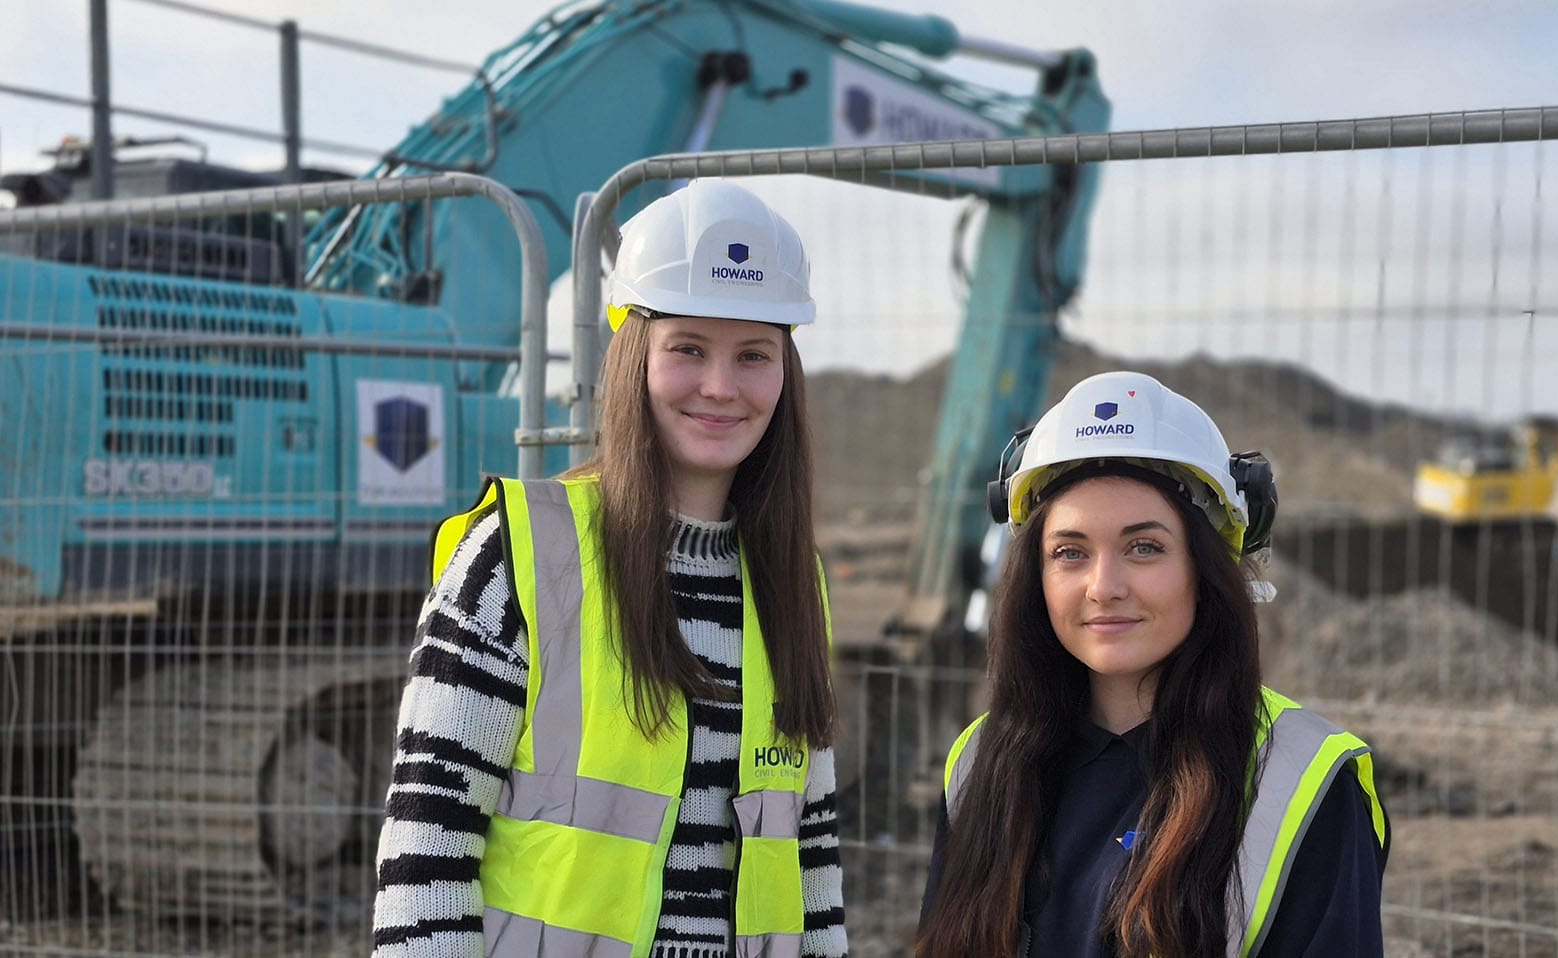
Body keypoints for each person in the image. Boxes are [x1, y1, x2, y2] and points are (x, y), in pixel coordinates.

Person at [371, 180, 847, 958]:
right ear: (634, 357)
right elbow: (427, 852)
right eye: (688, 348)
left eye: (753, 355)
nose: (720, 386)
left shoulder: (794, 585)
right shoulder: (517, 556)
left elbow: (812, 857)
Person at [916, 371, 1388, 958]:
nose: (1103, 586)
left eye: (1144, 547)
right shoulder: (980, 761)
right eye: (1070, 552)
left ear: (1204, 567)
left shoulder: (1301, 782)